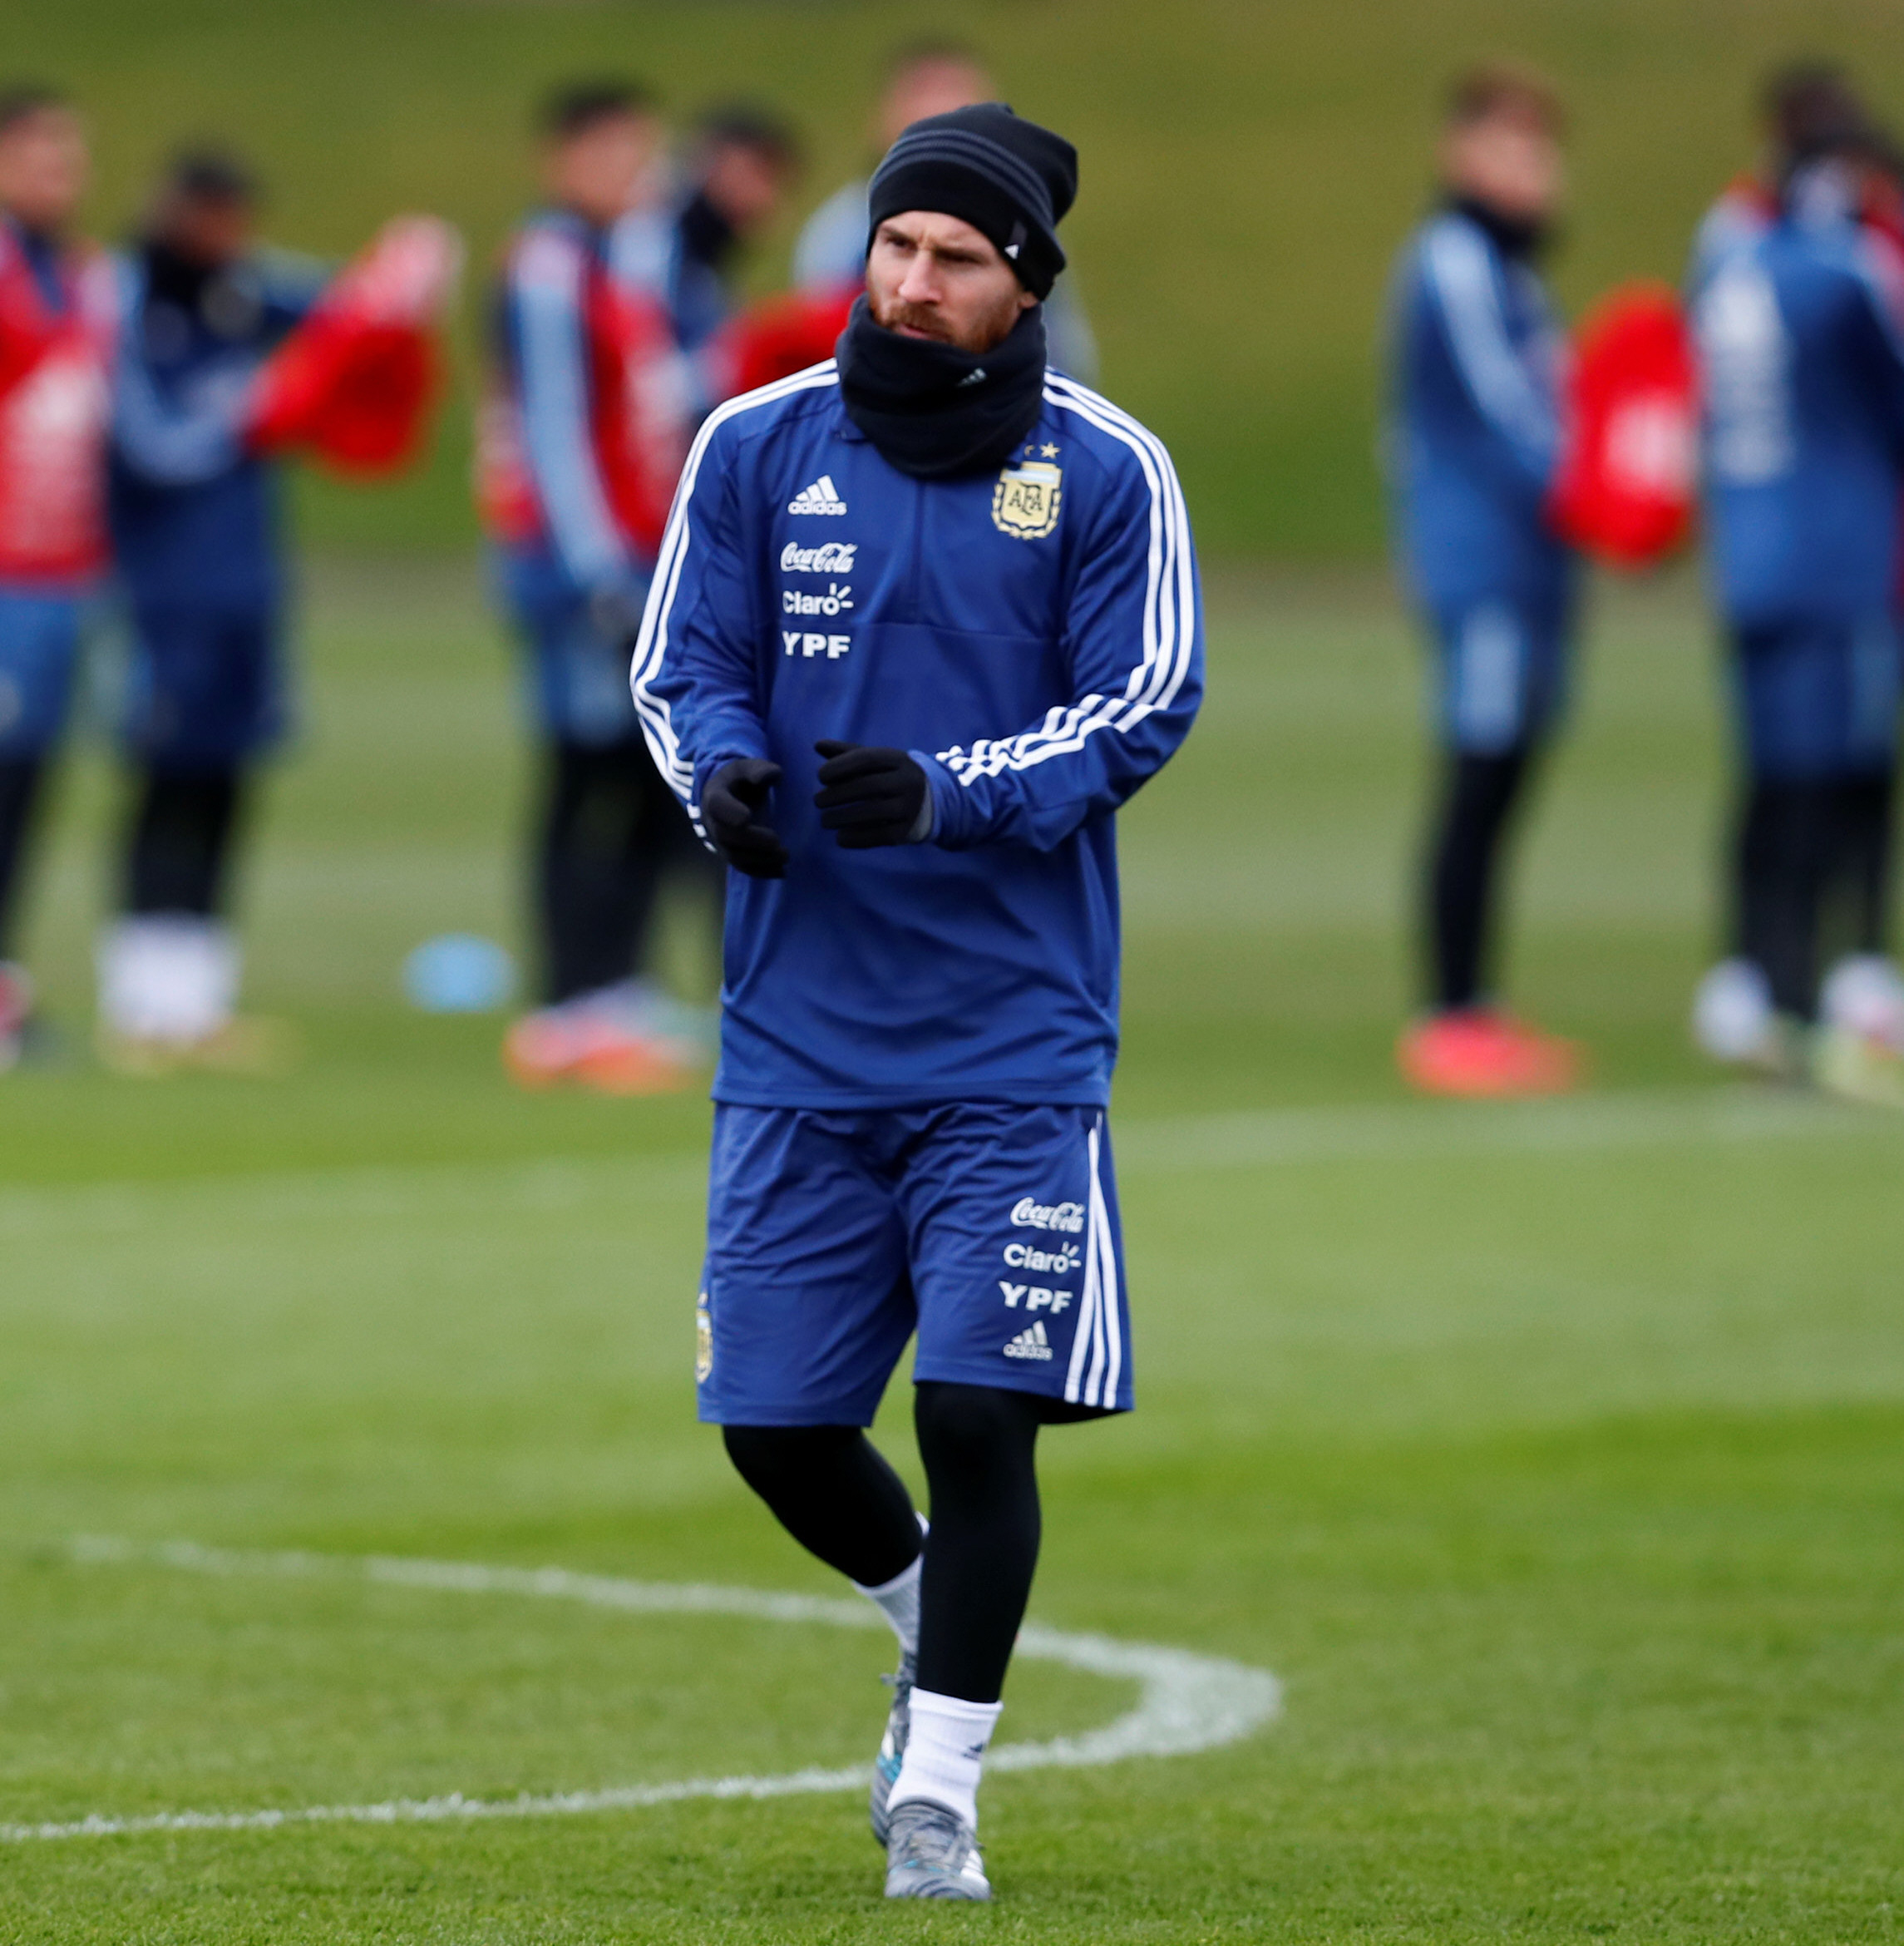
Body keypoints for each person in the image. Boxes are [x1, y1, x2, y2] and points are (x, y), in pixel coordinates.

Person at [632, 104, 1201, 1899]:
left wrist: (955, 790)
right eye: (895, 245)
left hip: (1010, 1037)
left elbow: (1143, 700)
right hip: (797, 1030)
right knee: (777, 1429)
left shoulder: (1106, 469)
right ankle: (926, 1620)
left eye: (957, 257)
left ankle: (939, 1794)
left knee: (972, 1409)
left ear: (1024, 282)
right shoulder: (754, 442)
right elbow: (679, 665)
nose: (913, 281)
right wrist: (720, 774)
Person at [481, 81, 716, 1094]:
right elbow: (555, 430)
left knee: (640, 771)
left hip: (636, 558)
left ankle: (615, 994)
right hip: (581, 568)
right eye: (616, 154)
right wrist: (602, 573)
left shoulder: (619, 262)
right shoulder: (547, 266)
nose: (636, 175)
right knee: (586, 772)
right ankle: (565, 1006)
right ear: (565, 158)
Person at [1688, 67, 1904, 1103]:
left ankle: (1758, 987)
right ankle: (1826, 1002)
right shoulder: (1843, 270)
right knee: (1841, 775)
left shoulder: (1728, 259)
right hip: (1839, 556)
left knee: (1772, 780)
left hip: (1749, 554)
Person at [97, 149, 330, 1070]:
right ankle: (139, 998)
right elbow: (149, 447)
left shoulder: (237, 296)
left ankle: (196, 999)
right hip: (161, 592)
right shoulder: (124, 300)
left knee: (228, 781)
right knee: (168, 778)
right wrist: (253, 412)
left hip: (243, 583)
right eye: (210, 218)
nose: (226, 238)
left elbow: (337, 310)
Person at [1384, 64, 1583, 1097]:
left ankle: (1476, 1007)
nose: (1533, 172)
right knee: (1478, 771)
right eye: (1512, 148)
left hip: (1532, 563)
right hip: (1485, 567)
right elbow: (1512, 415)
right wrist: (1606, 494)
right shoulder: (1454, 260)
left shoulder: (1515, 273)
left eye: (1542, 151)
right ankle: (1449, 1014)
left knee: (1506, 775)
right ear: (1460, 154)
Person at [0, 86, 111, 1069]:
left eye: (69, 158)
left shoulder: (78, 272)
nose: (59, 176)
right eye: (39, 156)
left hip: (60, 570)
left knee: (27, 784)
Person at [792, 40, 1098, 383]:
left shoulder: (1021, 227)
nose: (941, 108)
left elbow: (1062, 347)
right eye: (899, 245)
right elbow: (824, 342)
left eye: (958, 92)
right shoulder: (843, 231)